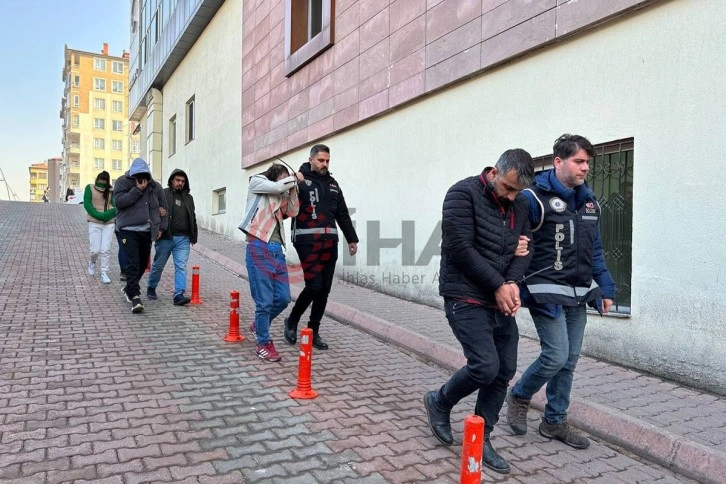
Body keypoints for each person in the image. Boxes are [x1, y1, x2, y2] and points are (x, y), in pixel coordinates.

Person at [423, 149, 535, 475]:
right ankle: (440, 401)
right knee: (486, 366)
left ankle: (482, 437)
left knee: (504, 370)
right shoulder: (462, 194)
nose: (512, 196)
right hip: (465, 295)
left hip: (501, 296)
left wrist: (512, 281)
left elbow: (527, 247)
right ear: (495, 170)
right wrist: (501, 280)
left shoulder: (522, 204)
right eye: (508, 188)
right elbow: (461, 249)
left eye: (518, 191)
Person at [506, 134, 616, 450]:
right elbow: (509, 234)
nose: (585, 168)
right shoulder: (533, 198)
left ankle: (554, 421)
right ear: (558, 162)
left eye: (587, 163)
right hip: (545, 290)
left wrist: (605, 287)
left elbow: (595, 249)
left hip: (579, 292)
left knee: (569, 360)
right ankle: (519, 395)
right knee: (555, 355)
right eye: (579, 161)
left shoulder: (588, 201)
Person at [284, 144, 358, 351]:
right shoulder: (299, 181)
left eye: (327, 161)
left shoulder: (333, 184)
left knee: (324, 290)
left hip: (330, 242)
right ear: (311, 160)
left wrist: (352, 239)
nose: (325, 164)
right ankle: (292, 320)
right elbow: (284, 203)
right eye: (321, 160)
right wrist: (291, 180)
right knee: (314, 285)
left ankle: (313, 330)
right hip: (306, 241)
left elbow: (342, 213)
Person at [239, 164, 303, 362]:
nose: (285, 184)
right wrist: (293, 178)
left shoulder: (279, 195)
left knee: (283, 298)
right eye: (283, 179)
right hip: (259, 247)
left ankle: (259, 326)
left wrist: (293, 188)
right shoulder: (257, 182)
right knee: (264, 302)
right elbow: (276, 187)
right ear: (274, 177)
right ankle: (263, 343)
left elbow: (293, 211)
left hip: (277, 251)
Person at [113, 158, 168, 313]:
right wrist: (137, 190)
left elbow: (164, 209)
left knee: (143, 264)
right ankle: (135, 297)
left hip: (146, 231)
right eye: (137, 175)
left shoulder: (155, 187)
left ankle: (129, 287)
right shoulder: (122, 182)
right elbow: (119, 202)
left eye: (144, 175)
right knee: (133, 263)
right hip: (127, 230)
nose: (141, 178)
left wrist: (161, 229)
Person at [147, 169, 198, 306]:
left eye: (182, 181)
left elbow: (192, 217)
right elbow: (150, 207)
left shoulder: (188, 197)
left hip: (183, 239)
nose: (180, 183)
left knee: (181, 266)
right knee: (158, 266)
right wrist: (157, 211)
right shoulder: (164, 193)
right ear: (171, 181)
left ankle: (178, 294)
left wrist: (194, 236)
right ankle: (151, 287)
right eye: (177, 180)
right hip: (165, 237)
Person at [83, 171, 116, 284]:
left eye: (104, 181)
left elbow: (116, 207)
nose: (102, 183)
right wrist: (98, 215)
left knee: (105, 249)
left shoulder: (111, 191)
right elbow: (87, 204)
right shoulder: (89, 188)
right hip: (94, 222)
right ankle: (92, 262)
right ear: (97, 179)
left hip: (109, 223)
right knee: (95, 250)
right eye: (100, 180)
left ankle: (104, 273)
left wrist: (106, 216)